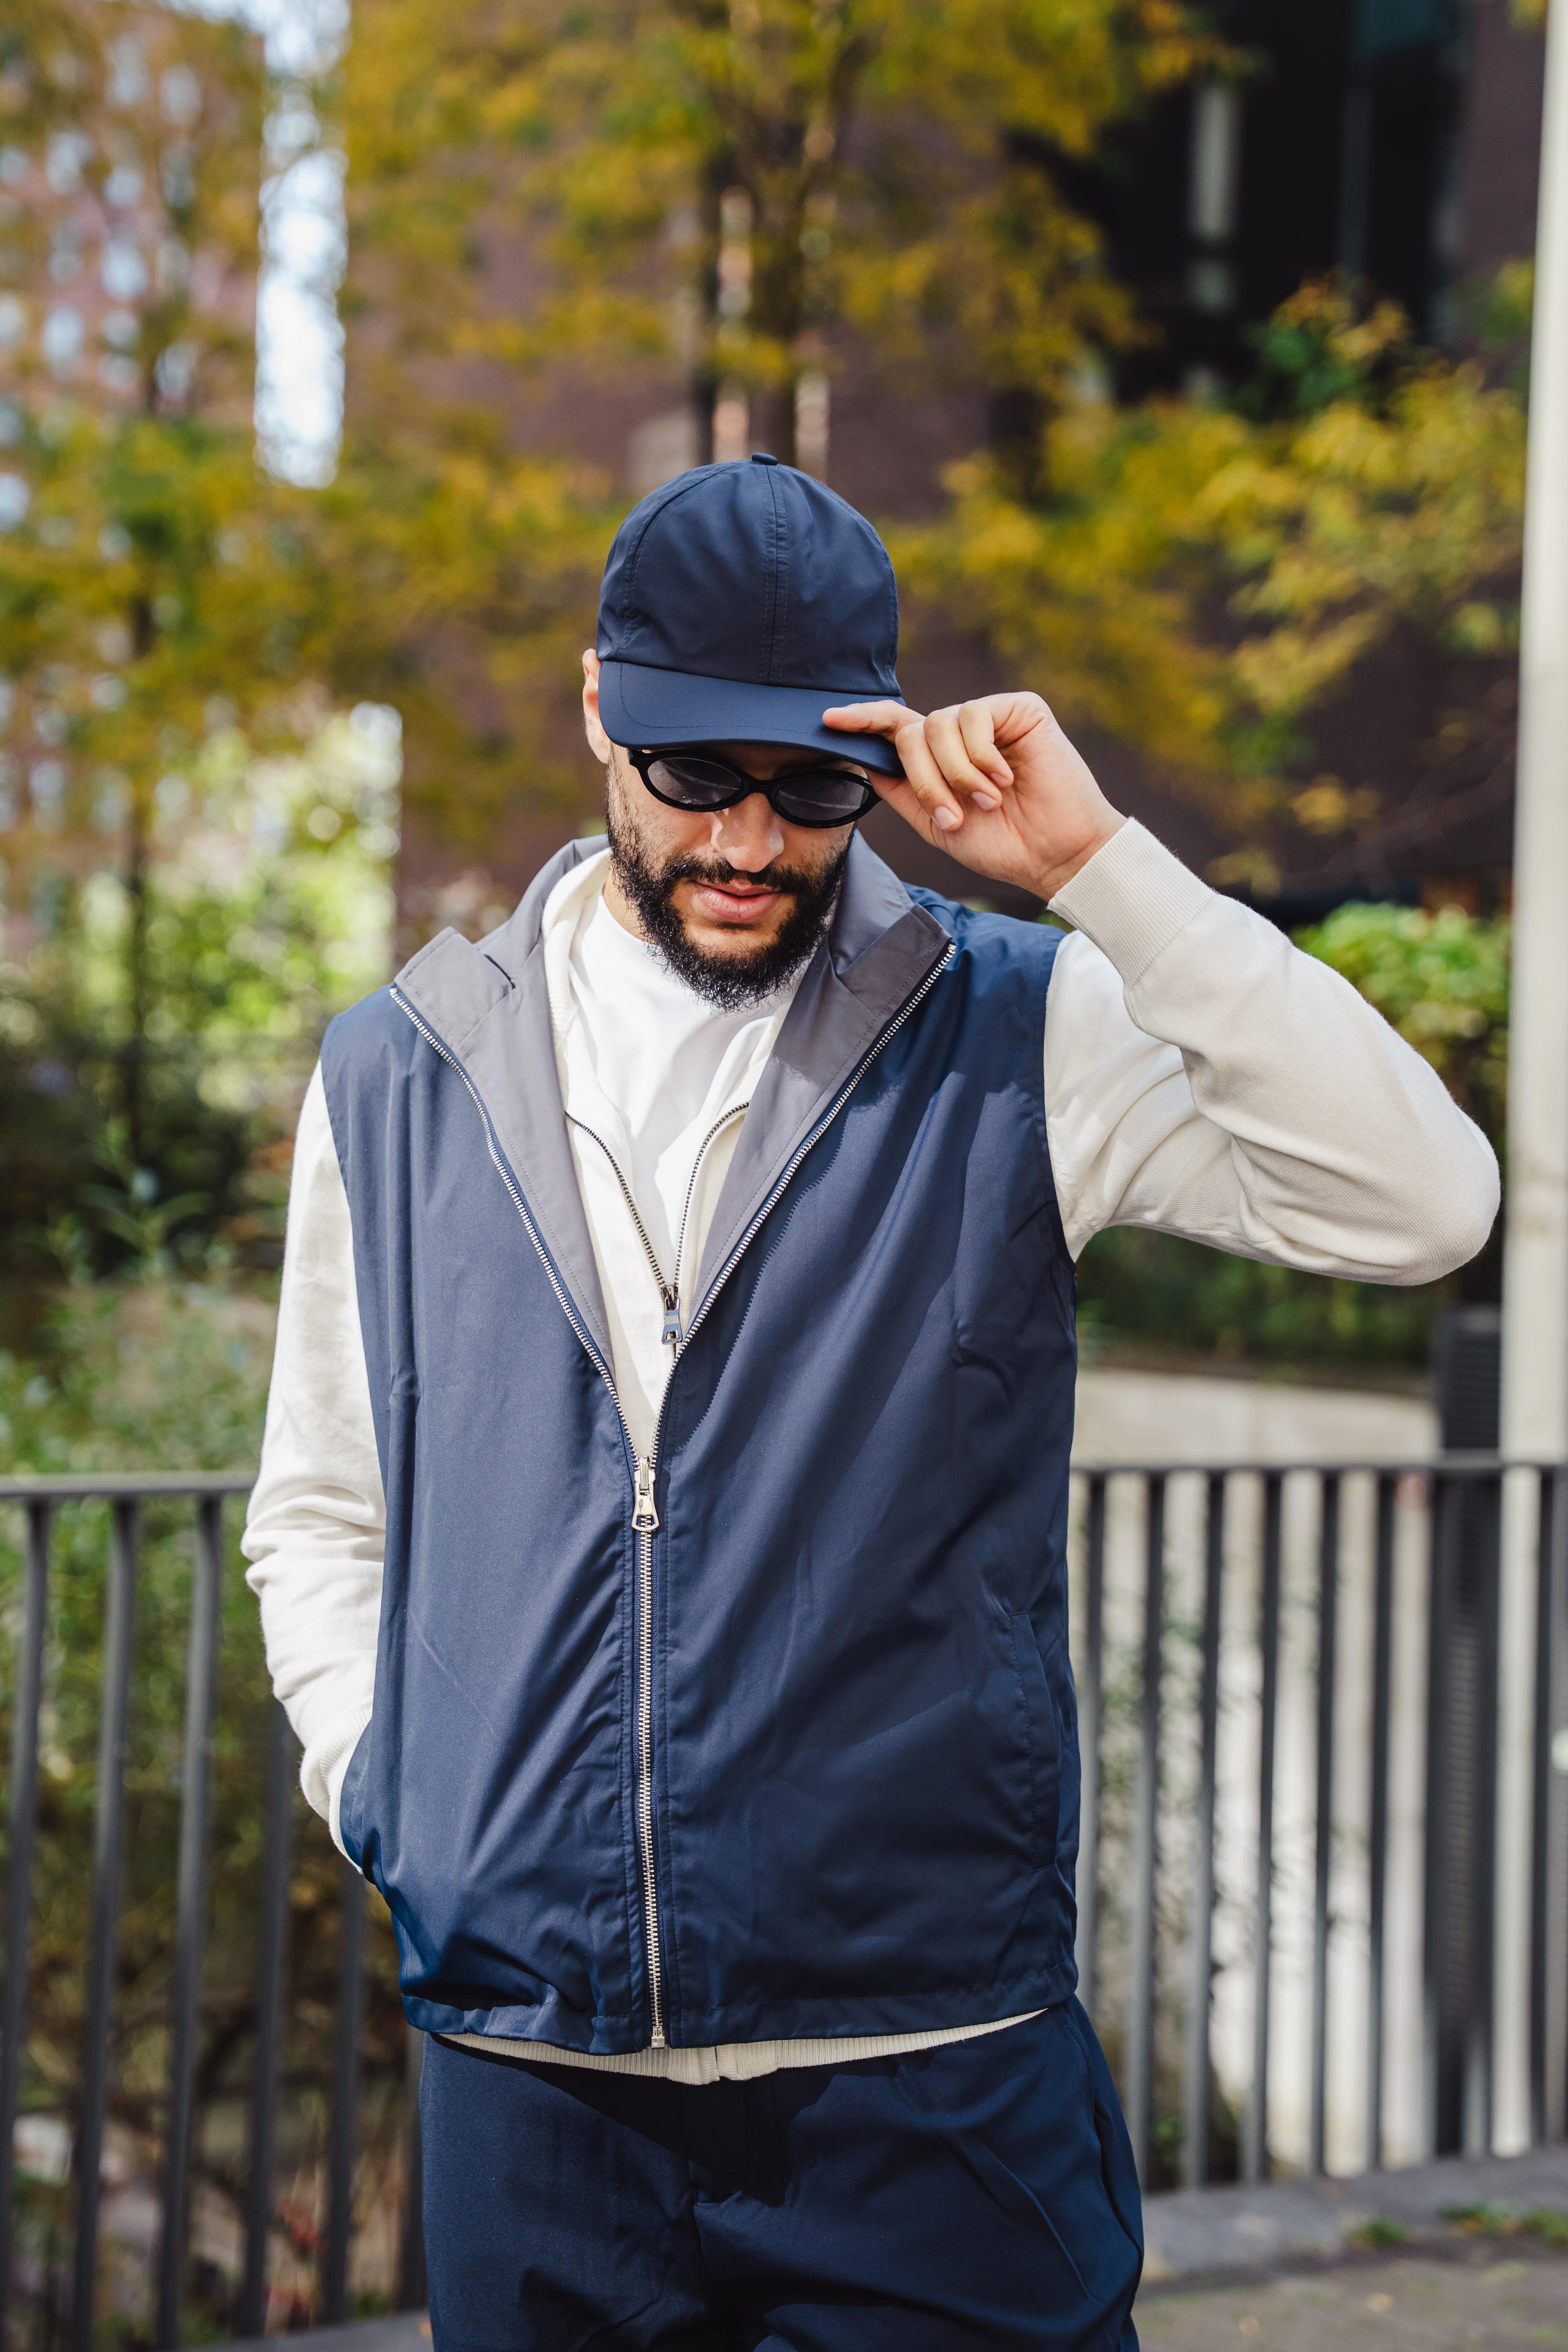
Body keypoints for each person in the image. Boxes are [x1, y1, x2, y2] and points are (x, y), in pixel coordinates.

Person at [244, 456, 1498, 2350]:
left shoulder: (1022, 1025)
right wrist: (395, 1798)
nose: (750, 838)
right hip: (531, 2093)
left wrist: (1102, 870)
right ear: (601, 711)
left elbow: (1423, 1203)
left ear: (882, 763)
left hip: (929, 2085)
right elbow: (322, 1510)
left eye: (812, 784)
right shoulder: (397, 1075)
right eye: (696, 776)